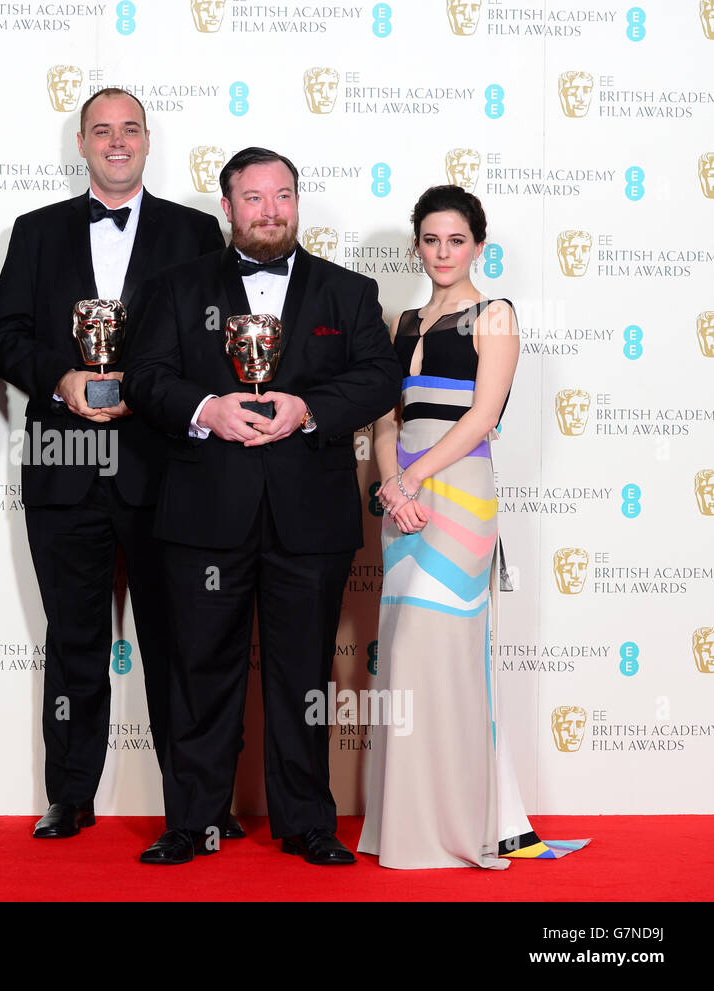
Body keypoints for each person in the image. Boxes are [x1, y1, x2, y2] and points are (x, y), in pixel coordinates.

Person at [124, 146, 400, 865]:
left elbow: (377, 380)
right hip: (203, 511)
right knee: (199, 671)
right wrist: (206, 407)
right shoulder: (177, 287)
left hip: (308, 518)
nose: (270, 210)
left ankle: (307, 820)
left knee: (302, 673)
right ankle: (192, 819)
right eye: (254, 198)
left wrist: (309, 407)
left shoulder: (349, 291)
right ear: (228, 206)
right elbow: (147, 379)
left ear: (298, 203)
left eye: (282, 196)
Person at [0, 87, 225, 840]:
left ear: (148, 141)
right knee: (75, 636)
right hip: (65, 457)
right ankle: (71, 794)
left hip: (164, 463)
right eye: (101, 131)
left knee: (178, 637)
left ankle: (196, 804)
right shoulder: (36, 230)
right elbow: (4, 337)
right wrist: (62, 380)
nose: (116, 142)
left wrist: (151, 390)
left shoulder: (197, 232)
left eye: (128, 130)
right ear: (81, 144)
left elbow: (214, 339)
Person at [358, 185, 567, 868]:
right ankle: (405, 824)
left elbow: (483, 416)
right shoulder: (402, 322)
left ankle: (451, 825)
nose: (443, 252)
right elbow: (385, 416)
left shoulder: (495, 314)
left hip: (460, 499)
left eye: (456, 240)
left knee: (439, 653)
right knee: (404, 661)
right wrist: (392, 485)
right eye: (430, 239)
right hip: (403, 504)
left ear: (479, 244)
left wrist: (414, 480)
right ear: (416, 244)